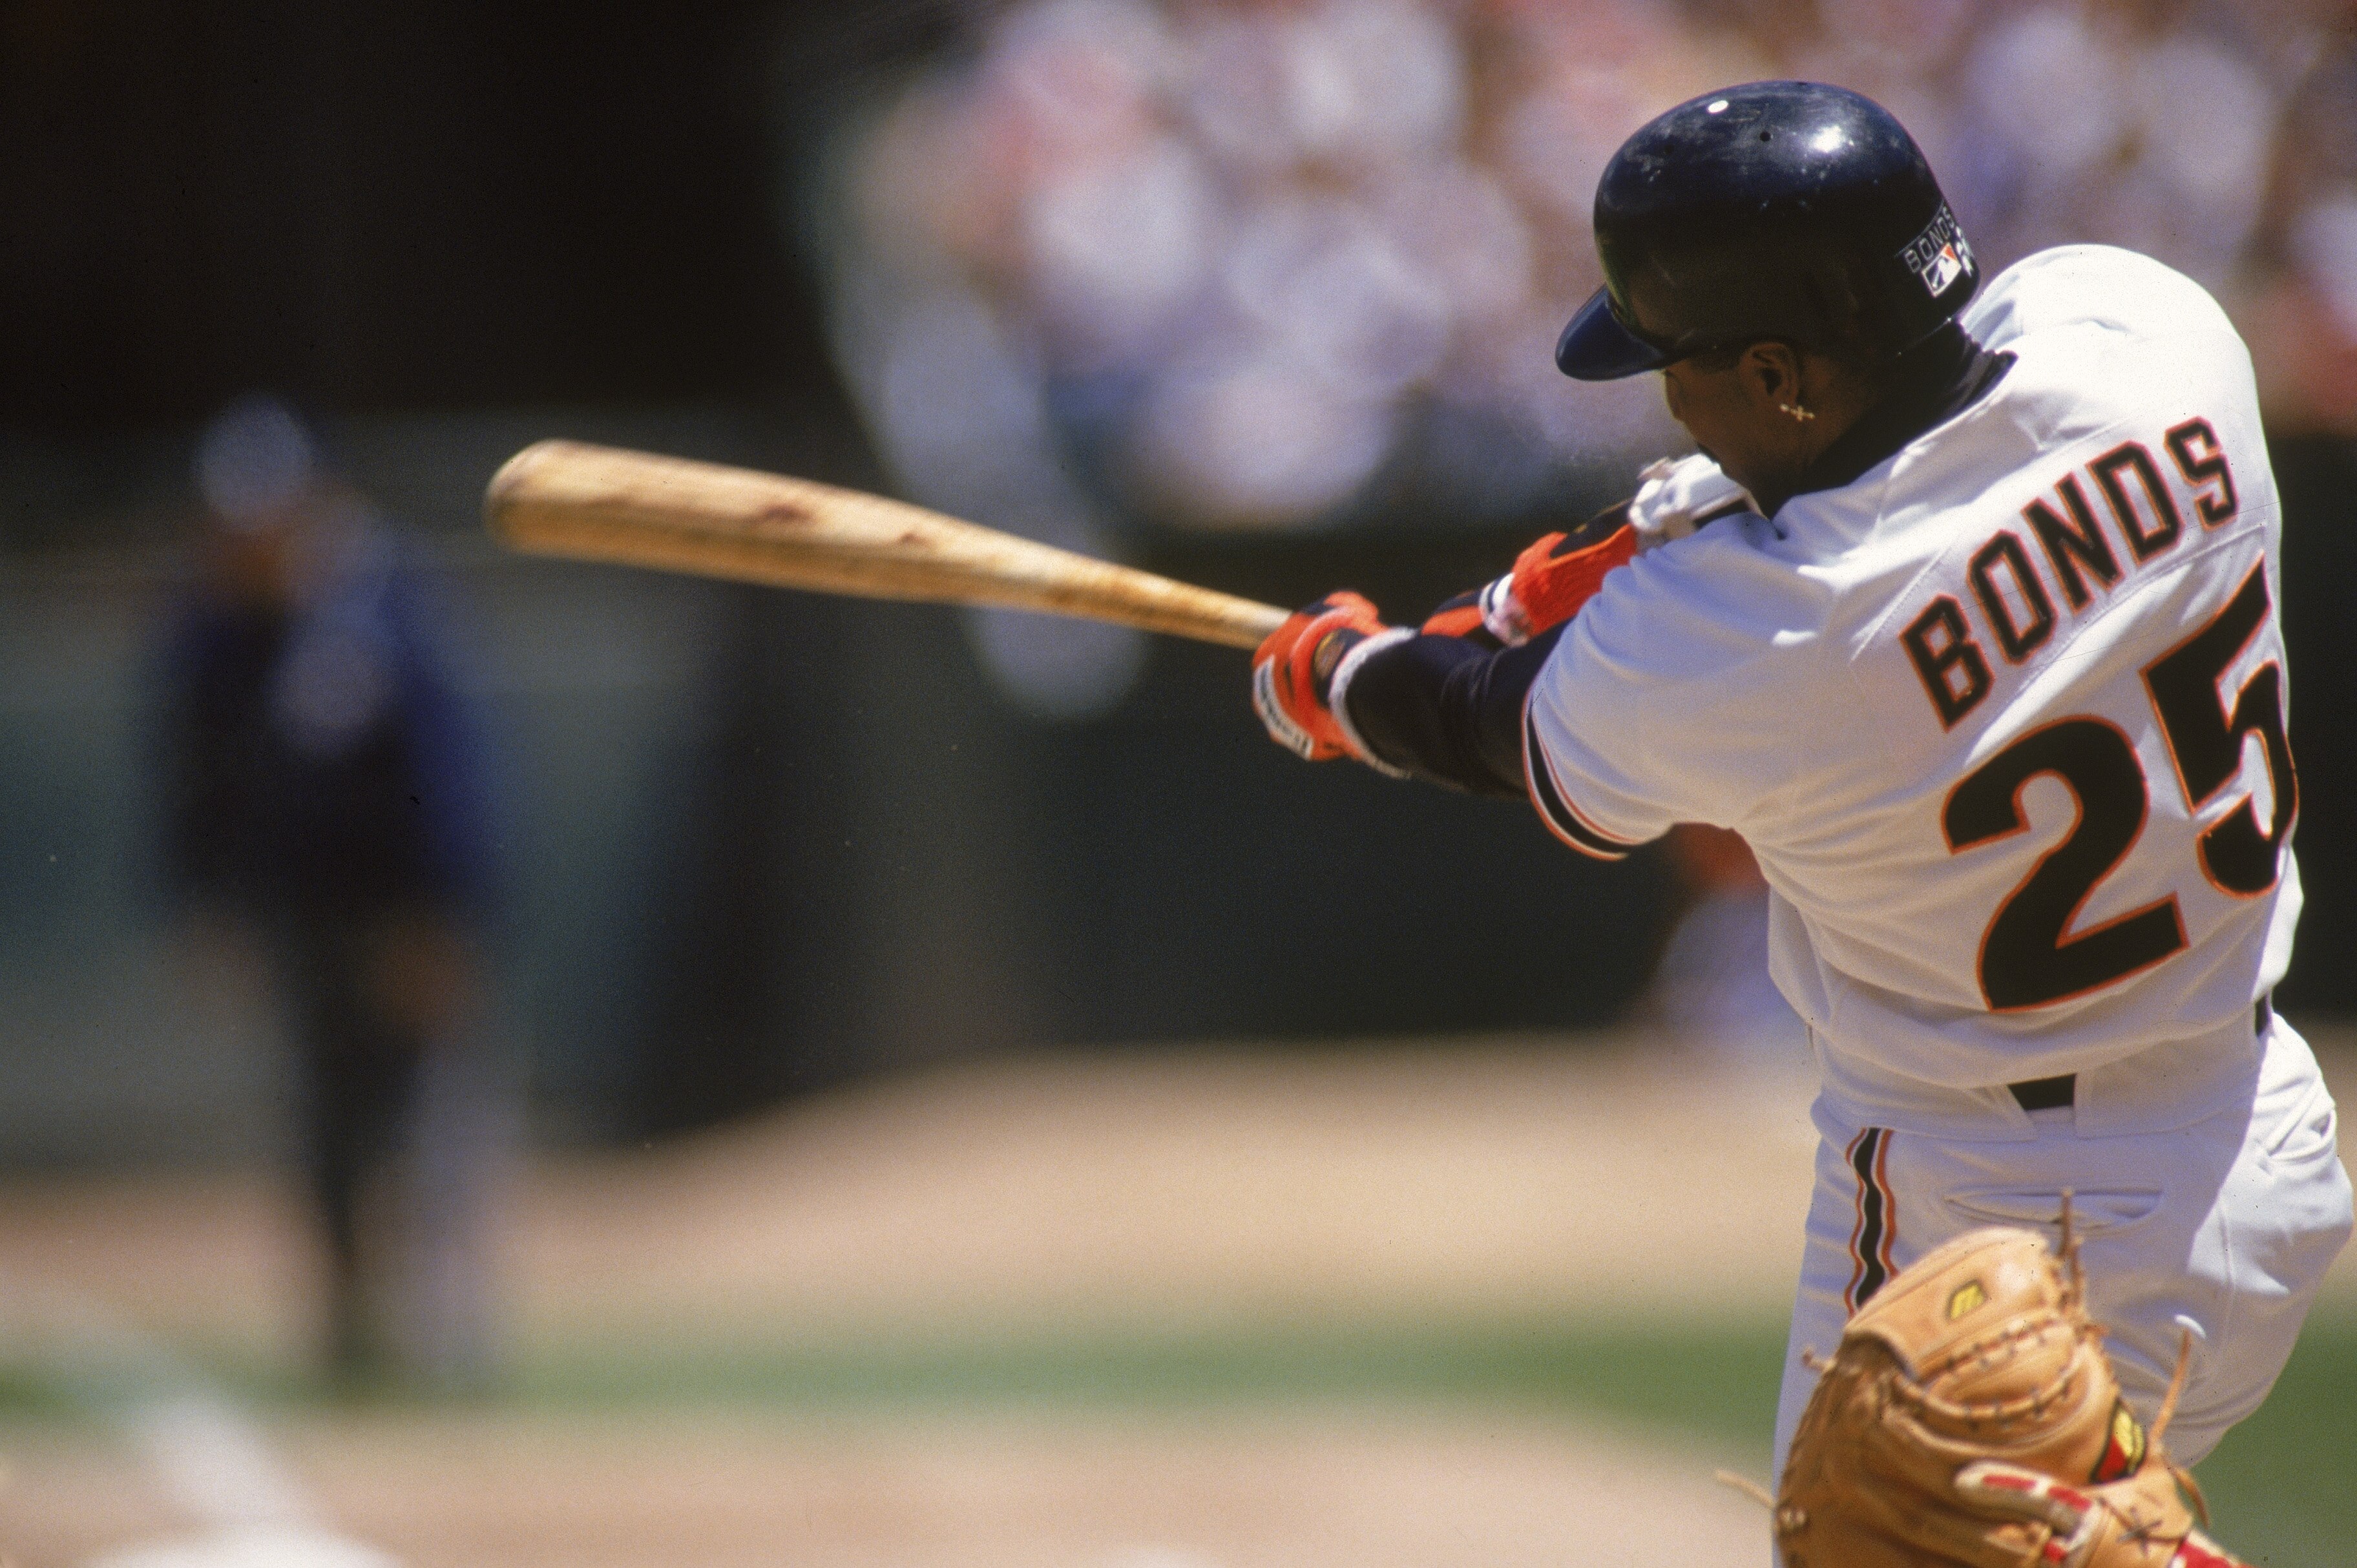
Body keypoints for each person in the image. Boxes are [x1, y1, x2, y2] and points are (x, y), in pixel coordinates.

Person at [1250, 81, 2351, 1508]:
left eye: (1687, 366)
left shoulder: (1787, 626)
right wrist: (1603, 555)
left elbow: (1490, 725)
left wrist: (1335, 678)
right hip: (2259, 1128)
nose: (1670, 402)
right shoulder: (2159, 336)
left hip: (2006, 1217)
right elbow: (1901, 448)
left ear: (1781, 378)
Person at [156, 395, 503, 1386]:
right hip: (300, 913)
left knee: (433, 1121)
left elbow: (453, 772)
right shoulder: (214, 631)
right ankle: (350, 1338)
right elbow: (194, 784)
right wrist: (205, 907)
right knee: (327, 1130)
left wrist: (443, 917)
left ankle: (450, 1344)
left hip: (403, 912)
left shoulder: (385, 606)